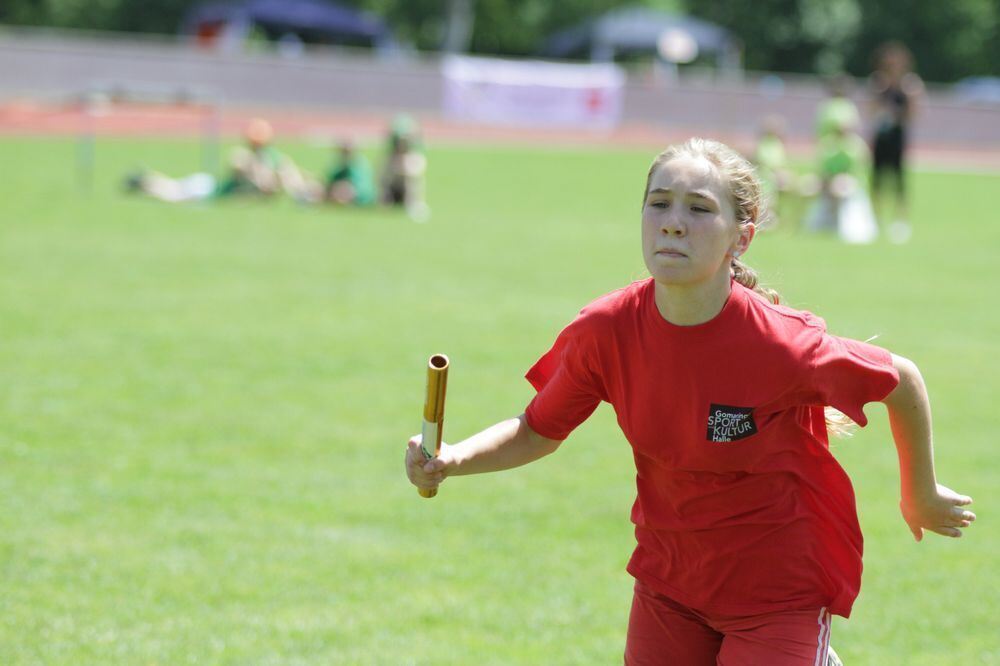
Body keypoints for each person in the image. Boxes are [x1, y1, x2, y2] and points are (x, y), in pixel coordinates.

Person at [404, 138, 974, 664]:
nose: (673, 224)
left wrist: (918, 494)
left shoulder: (781, 345)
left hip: (780, 589)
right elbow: (537, 430)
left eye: (699, 209)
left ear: (741, 237)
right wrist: (454, 458)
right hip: (670, 583)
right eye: (659, 204)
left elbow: (900, 378)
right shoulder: (606, 330)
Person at [125, 118, 307, 203]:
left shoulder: (278, 160)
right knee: (173, 192)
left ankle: (143, 180)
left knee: (173, 188)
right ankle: (144, 181)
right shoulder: (244, 156)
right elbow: (241, 167)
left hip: (209, 188)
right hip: (209, 189)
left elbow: (290, 178)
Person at [868, 42, 924, 241]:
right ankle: (876, 220)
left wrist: (908, 98)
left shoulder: (909, 85)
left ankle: (900, 221)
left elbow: (914, 114)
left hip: (898, 137)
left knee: (899, 182)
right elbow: (870, 110)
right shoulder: (878, 83)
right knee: (876, 181)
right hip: (881, 137)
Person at [804, 117, 878, 243]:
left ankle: (841, 225)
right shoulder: (829, 144)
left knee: (840, 187)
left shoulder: (856, 145)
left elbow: (854, 170)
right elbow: (824, 167)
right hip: (830, 181)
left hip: (849, 182)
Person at [380, 116, 429, 221]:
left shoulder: (415, 157)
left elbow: (416, 175)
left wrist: (404, 167)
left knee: (411, 182)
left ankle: (414, 204)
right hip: (393, 191)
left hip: (407, 193)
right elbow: (382, 178)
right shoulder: (389, 158)